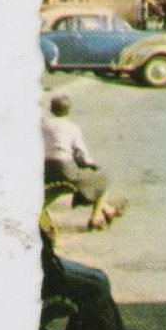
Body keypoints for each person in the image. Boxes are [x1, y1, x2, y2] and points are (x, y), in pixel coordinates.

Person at [42, 95, 123, 231]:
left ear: (51, 109)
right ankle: (96, 218)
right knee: (102, 179)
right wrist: (92, 165)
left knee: (86, 181)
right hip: (65, 169)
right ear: (68, 110)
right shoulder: (72, 128)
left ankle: (108, 210)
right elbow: (82, 153)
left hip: (45, 169)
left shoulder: (43, 125)